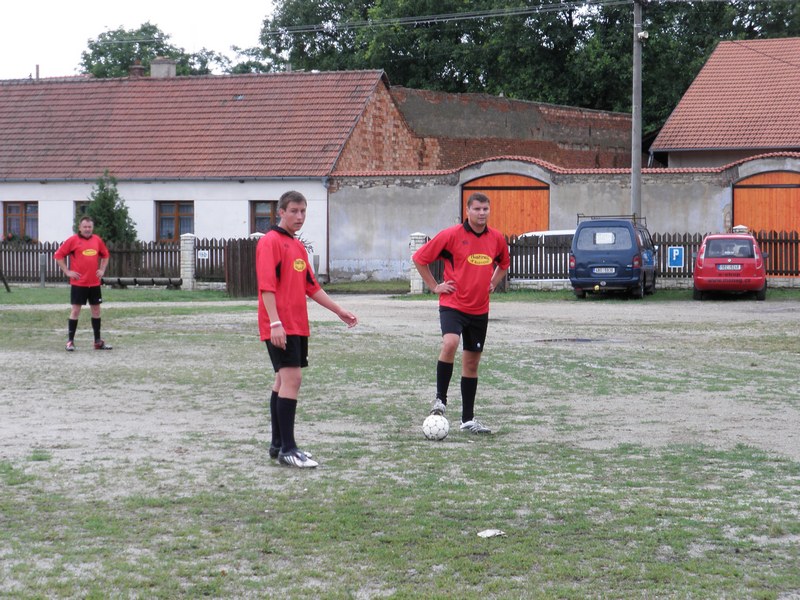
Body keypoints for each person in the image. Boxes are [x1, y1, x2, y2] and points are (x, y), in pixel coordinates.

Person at [256, 190, 358, 468]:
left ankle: (278, 445)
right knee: (293, 380)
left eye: (303, 211)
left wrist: (339, 310)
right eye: (294, 211)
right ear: (281, 212)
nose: (299, 216)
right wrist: (275, 323)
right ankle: (289, 449)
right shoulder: (270, 242)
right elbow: (266, 286)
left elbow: (311, 287)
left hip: (298, 325)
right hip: (280, 325)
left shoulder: (298, 246)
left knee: (282, 381)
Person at [412, 192, 510, 434]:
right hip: (453, 304)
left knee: (472, 363)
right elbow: (419, 258)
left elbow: (504, 264)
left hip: (479, 308)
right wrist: (434, 286)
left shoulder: (496, 238)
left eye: (485, 209)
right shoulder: (451, 235)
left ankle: (467, 420)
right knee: (450, 342)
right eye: (477, 209)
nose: (481, 213)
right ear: (468, 210)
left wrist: (493, 282)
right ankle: (440, 400)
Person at [54, 216, 112, 351]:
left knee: (96, 310)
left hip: (94, 283)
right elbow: (58, 255)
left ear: (92, 228)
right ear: (79, 228)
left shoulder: (97, 240)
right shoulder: (72, 240)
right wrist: (67, 271)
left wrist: (102, 269)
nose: (87, 229)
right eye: (85, 227)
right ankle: (70, 342)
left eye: (89, 227)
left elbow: (105, 255)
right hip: (79, 283)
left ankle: (97, 341)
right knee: (75, 311)